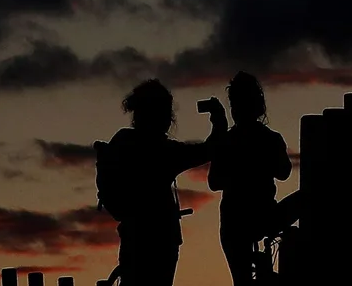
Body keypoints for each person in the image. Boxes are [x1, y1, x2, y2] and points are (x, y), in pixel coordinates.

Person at [97, 79, 226, 286]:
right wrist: (219, 121)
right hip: (161, 241)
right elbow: (207, 150)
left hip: (133, 239)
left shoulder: (122, 141)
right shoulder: (162, 151)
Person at [209, 72, 295, 284]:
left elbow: (214, 182)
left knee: (241, 280)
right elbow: (284, 172)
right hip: (261, 217)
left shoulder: (227, 140)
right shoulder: (270, 139)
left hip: (235, 222)